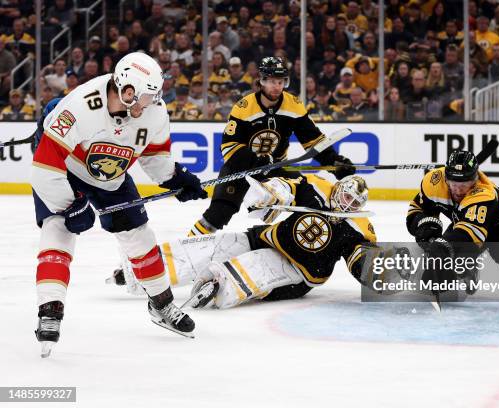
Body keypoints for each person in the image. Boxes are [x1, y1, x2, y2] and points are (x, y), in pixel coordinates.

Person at [31, 52, 207, 356]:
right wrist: (70, 205)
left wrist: (175, 177)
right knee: (58, 232)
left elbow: (154, 157)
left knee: (140, 237)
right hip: (66, 175)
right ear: (127, 91)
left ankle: (162, 305)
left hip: (112, 178)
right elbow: (44, 167)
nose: (152, 102)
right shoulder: (81, 106)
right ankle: (50, 311)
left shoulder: (154, 113)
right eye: (146, 96)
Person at [111, 174, 376, 310]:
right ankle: (143, 270)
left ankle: (215, 286)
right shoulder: (318, 186)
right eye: (346, 197)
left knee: (254, 265)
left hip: (300, 271)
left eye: (354, 203)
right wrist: (271, 194)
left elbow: (361, 255)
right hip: (270, 237)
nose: (347, 204)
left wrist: (371, 268)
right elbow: (289, 187)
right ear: (338, 188)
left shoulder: (359, 226)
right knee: (216, 246)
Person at [189, 56, 354, 236]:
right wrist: (256, 161)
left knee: (310, 200)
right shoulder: (244, 107)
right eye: (272, 81)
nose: (277, 86)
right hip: (241, 168)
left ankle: (291, 242)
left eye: (281, 81)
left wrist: (333, 161)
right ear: (262, 81)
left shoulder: (294, 105)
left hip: (277, 167)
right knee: (219, 214)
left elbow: (312, 139)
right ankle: (189, 246)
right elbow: (229, 146)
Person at [405, 150, 499, 300]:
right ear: (446, 178)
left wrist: (441, 247)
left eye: (465, 184)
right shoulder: (434, 182)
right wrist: (425, 227)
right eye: (454, 184)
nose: (459, 190)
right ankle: (463, 271)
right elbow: (417, 209)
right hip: (466, 222)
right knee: (441, 264)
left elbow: (468, 237)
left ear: (474, 180)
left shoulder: (483, 193)